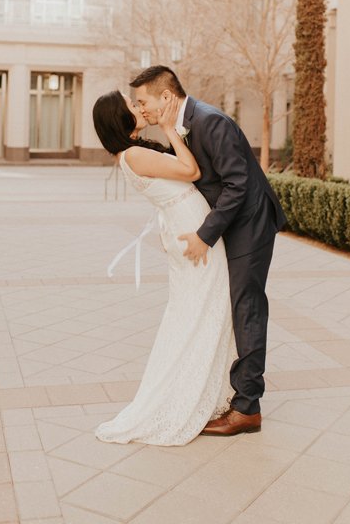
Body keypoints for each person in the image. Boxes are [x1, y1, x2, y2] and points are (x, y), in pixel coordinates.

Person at [130, 66, 287, 436]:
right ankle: (233, 393)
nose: (141, 109)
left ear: (165, 97)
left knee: (246, 309)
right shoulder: (181, 124)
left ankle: (247, 408)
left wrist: (205, 234)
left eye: (143, 101)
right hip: (231, 224)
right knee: (234, 307)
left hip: (250, 224)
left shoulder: (210, 121)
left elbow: (237, 184)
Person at [92, 90, 237, 446]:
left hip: (185, 226)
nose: (138, 107)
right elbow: (191, 170)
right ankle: (188, 393)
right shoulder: (134, 154)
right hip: (192, 231)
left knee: (201, 307)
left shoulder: (132, 152)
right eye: (132, 105)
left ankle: (204, 387)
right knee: (202, 308)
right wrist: (171, 128)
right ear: (119, 118)